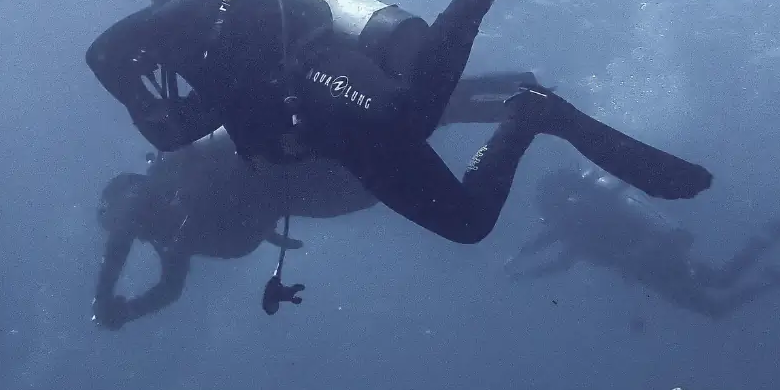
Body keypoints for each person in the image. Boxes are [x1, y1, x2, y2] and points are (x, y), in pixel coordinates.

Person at [86, 0, 713, 308]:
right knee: (465, 223)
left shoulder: (184, 14)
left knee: (407, 112)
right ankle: (531, 114)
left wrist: (140, 107)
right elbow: (207, 127)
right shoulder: (201, 81)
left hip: (318, 67)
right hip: (330, 131)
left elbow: (104, 54)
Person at [93, 72, 540, 328]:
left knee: (408, 121)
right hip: (319, 186)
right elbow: (169, 288)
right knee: (412, 129)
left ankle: (519, 101)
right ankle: (520, 105)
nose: (129, 226)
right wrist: (126, 309)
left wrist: (105, 301)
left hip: (310, 164)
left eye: (124, 218)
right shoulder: (177, 236)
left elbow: (129, 233)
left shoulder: (169, 168)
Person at [507, 165, 780, 318]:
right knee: (718, 292)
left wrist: (525, 273)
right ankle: (777, 250)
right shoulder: (576, 220)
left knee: (717, 301)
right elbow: (559, 248)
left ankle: (777, 260)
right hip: (654, 263)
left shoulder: (580, 220)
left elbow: (563, 256)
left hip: (657, 260)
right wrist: (524, 264)